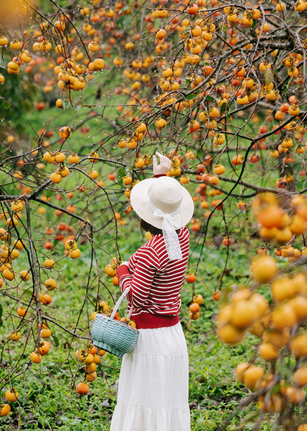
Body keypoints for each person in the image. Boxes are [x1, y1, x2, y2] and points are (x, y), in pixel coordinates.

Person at [110, 152, 194, 431]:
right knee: (166, 405)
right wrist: (162, 178)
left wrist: (123, 271)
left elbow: (136, 298)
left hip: (149, 341)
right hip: (172, 335)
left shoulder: (150, 252)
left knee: (143, 405)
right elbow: (168, 209)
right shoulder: (182, 235)